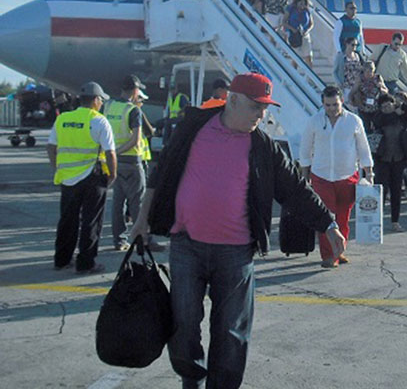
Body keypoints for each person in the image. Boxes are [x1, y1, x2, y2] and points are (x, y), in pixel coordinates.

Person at [130, 73, 344, 388]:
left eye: (266, 108)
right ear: (232, 100)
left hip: (236, 252)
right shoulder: (194, 129)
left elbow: (296, 190)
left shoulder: (262, 146)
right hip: (186, 247)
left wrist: (328, 224)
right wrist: (140, 222)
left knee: (231, 333)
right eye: (256, 106)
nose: (262, 115)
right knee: (184, 326)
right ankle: (191, 380)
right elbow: (160, 176)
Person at [298, 85, 372, 268]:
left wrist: (369, 173)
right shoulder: (314, 121)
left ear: (342, 102)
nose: (331, 108)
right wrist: (304, 174)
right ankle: (329, 256)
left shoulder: (353, 121)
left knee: (343, 218)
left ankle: (340, 250)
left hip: (347, 176)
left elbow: (363, 148)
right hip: (321, 176)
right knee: (326, 218)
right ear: (323, 103)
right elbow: (305, 148)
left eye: (335, 104)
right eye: (328, 105)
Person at [47, 81, 117, 274]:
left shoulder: (63, 119)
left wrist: (57, 168)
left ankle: (62, 259)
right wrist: (112, 175)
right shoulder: (99, 120)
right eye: (101, 100)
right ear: (95, 100)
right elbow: (110, 153)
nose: (102, 103)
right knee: (91, 221)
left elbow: (51, 146)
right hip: (93, 177)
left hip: (68, 177)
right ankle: (86, 263)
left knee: (67, 219)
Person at [103, 74, 147, 252]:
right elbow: (136, 140)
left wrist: (111, 153)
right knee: (137, 202)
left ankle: (119, 240)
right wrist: (118, 151)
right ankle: (140, 240)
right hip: (130, 161)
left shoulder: (108, 106)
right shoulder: (133, 110)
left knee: (118, 202)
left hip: (113, 162)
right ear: (136, 90)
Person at [373, 92, 407, 232]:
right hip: (383, 159)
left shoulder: (402, 117)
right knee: (382, 189)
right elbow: (381, 120)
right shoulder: (380, 117)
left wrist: (402, 106)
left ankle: (395, 221)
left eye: (389, 105)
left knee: (396, 191)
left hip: (399, 158)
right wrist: (396, 112)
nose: (387, 108)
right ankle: (378, 220)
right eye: (384, 106)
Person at [349, 60, 388, 132]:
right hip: (363, 107)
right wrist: (351, 100)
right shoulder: (360, 79)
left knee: (378, 127)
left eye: (371, 71)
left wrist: (380, 87)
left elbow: (386, 91)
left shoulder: (378, 78)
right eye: (367, 71)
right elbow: (353, 91)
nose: (369, 73)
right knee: (366, 128)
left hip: (376, 107)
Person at [282, 0, 314, 66]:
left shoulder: (307, 10)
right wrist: (293, 29)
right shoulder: (291, 8)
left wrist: (307, 31)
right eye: (300, 4)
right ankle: (293, 75)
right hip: (294, 35)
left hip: (304, 35)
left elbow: (311, 24)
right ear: (297, 2)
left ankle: (309, 76)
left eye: (304, 4)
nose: (302, 6)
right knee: (296, 58)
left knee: (309, 57)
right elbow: (284, 22)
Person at [333, 36, 364, 103]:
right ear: (347, 44)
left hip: (356, 86)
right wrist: (339, 83)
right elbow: (334, 71)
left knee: (356, 105)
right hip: (346, 86)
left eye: (356, 45)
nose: (354, 47)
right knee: (346, 103)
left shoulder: (357, 56)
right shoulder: (340, 56)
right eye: (352, 45)